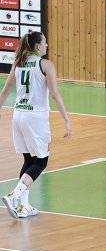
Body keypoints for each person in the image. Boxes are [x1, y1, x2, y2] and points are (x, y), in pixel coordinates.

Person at [0, 31, 72, 219]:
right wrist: (66, 119)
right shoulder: (45, 65)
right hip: (35, 117)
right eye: (45, 43)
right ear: (38, 47)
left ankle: (24, 206)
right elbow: (55, 94)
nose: (47, 46)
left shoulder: (19, 63)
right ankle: (14, 195)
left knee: (29, 160)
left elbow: (6, 89)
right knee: (41, 161)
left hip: (18, 115)